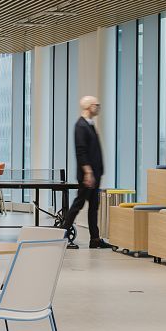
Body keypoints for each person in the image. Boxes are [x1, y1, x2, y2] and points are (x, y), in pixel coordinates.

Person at [63, 95, 112, 249]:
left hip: (95, 174)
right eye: (97, 105)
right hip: (88, 175)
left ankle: (95, 239)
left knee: (93, 207)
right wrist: (88, 172)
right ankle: (62, 235)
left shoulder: (89, 124)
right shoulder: (81, 125)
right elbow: (81, 151)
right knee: (78, 204)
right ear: (90, 107)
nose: (99, 107)